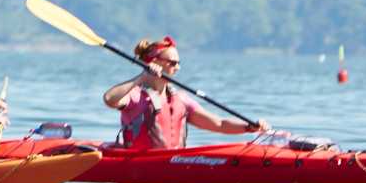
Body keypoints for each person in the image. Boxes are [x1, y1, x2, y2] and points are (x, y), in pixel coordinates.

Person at [101, 36, 269, 147]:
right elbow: (109, 99)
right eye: (172, 63)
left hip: (173, 164)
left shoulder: (181, 99)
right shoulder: (136, 95)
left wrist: (248, 127)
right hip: (140, 164)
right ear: (155, 62)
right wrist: (142, 76)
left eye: (178, 63)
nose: (178, 68)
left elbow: (219, 124)